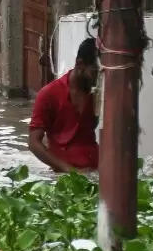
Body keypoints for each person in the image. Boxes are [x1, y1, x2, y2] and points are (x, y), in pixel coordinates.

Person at [29, 38, 100, 172]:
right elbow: (34, 143)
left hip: (94, 170)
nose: (97, 80)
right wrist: (69, 171)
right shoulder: (49, 94)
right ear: (80, 64)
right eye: (94, 73)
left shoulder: (98, 94)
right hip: (62, 175)